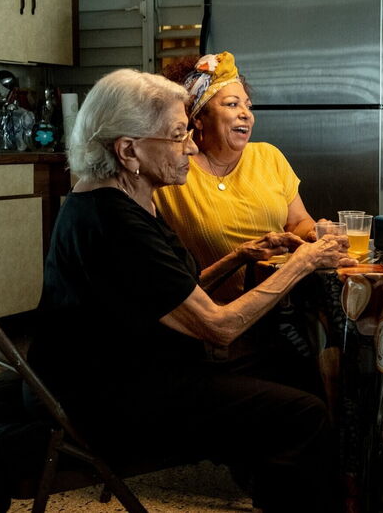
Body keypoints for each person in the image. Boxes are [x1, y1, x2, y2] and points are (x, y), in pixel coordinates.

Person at [25, 69, 355, 513]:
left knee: (289, 362)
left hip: (117, 374)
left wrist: (241, 256)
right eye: (179, 135)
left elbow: (170, 295)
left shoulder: (118, 199)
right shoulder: (116, 222)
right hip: (112, 400)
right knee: (304, 413)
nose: (193, 146)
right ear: (129, 151)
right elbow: (217, 327)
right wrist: (304, 263)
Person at [155, 52, 317, 304]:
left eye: (248, 106)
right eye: (232, 104)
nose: (246, 114)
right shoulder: (172, 173)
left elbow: (297, 222)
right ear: (197, 118)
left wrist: (313, 232)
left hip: (280, 309)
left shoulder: (269, 156)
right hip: (212, 316)